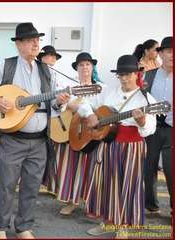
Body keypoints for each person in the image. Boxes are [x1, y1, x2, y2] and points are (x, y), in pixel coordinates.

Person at [0, 23, 70, 239]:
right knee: (6, 185)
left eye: (37, 40)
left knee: (31, 187)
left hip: (40, 140)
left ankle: (23, 227)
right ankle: (0, 227)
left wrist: (60, 103)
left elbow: (52, 105)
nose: (36, 44)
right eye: (31, 40)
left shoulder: (46, 70)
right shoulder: (6, 66)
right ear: (19, 44)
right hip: (14, 139)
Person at [77, 55, 156, 236]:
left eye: (128, 74)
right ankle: (107, 221)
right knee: (107, 184)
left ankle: (124, 227)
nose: (124, 78)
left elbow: (150, 129)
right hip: (108, 143)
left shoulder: (146, 99)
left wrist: (142, 120)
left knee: (127, 185)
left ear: (136, 74)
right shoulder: (109, 92)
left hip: (132, 146)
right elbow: (86, 103)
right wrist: (91, 115)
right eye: (121, 75)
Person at [43, 52, 103, 216]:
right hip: (70, 131)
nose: (85, 68)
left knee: (91, 168)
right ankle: (72, 201)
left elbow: (103, 110)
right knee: (70, 167)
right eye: (81, 65)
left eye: (88, 64)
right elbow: (59, 107)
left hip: (90, 134)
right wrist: (64, 103)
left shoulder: (100, 88)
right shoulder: (68, 85)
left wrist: (87, 109)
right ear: (76, 68)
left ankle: (91, 203)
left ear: (92, 67)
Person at [143, 36, 173, 214]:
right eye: (169, 51)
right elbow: (142, 98)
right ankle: (150, 205)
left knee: (171, 170)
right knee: (149, 167)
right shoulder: (150, 74)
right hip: (152, 128)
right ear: (161, 54)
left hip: (172, 129)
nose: (172, 55)